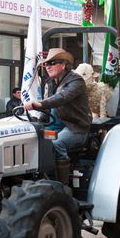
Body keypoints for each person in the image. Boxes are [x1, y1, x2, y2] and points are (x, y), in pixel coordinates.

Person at [24, 48, 92, 184]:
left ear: (63, 65)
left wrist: (39, 104)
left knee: (56, 143)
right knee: (33, 140)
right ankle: (38, 179)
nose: (48, 66)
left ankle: (61, 187)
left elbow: (62, 97)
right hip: (54, 128)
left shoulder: (76, 81)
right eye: (46, 64)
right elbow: (48, 111)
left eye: (52, 63)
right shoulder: (50, 83)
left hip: (74, 128)